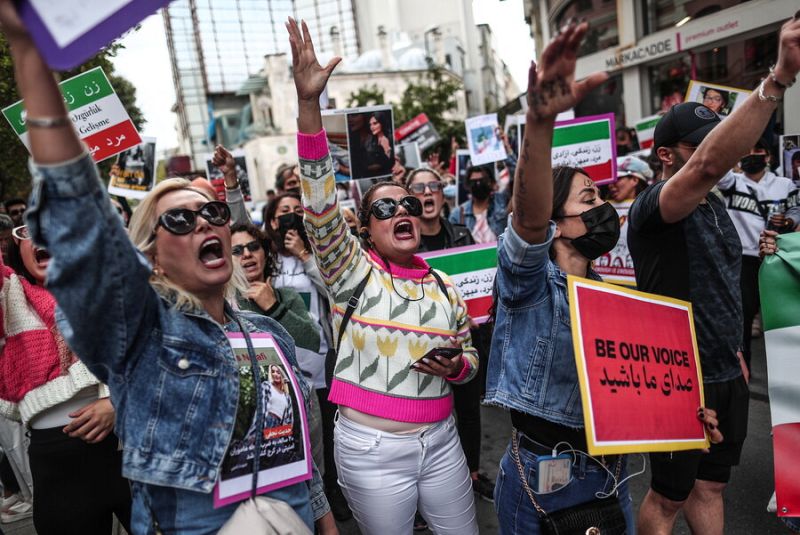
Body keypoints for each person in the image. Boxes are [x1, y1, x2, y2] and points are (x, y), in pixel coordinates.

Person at [0, 5, 334, 531]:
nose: (205, 223)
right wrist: (31, 56)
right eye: (179, 218)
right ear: (151, 254)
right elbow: (84, 236)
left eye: (214, 212)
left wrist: (323, 517)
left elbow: (297, 444)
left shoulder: (271, 333)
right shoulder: (143, 334)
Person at [288, 17, 480, 534]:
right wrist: (310, 107)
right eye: (386, 206)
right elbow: (320, 204)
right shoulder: (350, 271)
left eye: (410, 204)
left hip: (442, 441)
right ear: (367, 229)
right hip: (372, 451)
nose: (403, 209)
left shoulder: (444, 285)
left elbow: (471, 360)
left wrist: (456, 367)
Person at [628, 13, 800, 534]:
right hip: (680, 378)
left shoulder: (716, 205)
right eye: (702, 143)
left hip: (726, 372)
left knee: (712, 486)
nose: (718, 154)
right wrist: (779, 80)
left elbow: (725, 285)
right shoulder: (654, 204)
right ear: (665, 154)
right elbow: (704, 166)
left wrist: (738, 359)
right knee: (668, 496)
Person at [1, 225, 131, 533]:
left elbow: (156, 356)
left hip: (132, 448)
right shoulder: (10, 295)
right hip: (58, 469)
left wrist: (117, 401)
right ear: (18, 249)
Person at [717, 139, 799, 371]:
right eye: (747, 151)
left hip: (777, 256)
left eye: (758, 151)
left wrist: (790, 220)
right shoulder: (733, 182)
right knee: (742, 314)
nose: (752, 155)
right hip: (743, 259)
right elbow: (717, 168)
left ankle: (787, 369)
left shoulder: (784, 184)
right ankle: (744, 369)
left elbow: (796, 208)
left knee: (781, 315)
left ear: (768, 157)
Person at [449, 165, 509, 243]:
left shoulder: (502, 203)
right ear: (468, 185)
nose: (478, 184)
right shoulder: (457, 215)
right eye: (473, 182)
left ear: (491, 182)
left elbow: (516, 182)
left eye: (482, 181)